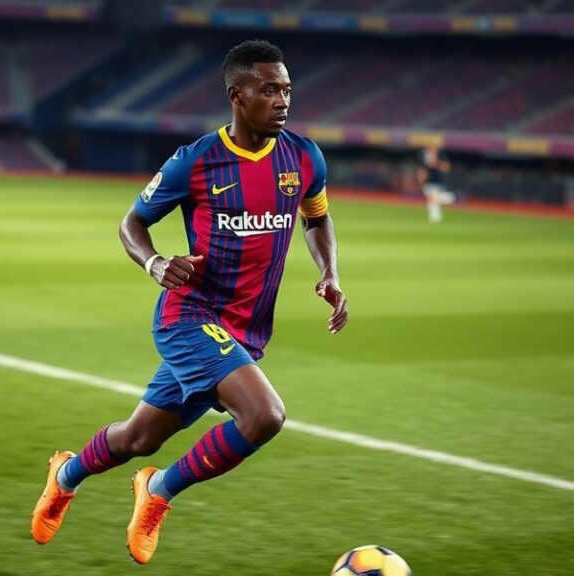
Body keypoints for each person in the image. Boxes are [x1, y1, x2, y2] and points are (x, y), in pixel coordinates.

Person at [31, 39, 349, 564]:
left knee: (138, 438)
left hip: (244, 333)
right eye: (269, 90)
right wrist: (155, 263)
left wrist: (329, 271)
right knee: (264, 416)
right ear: (237, 94)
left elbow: (316, 218)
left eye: (287, 90)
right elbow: (131, 223)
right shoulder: (196, 162)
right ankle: (158, 491)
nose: (282, 100)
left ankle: (63, 477)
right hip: (190, 318)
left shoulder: (303, 157)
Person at [417, 144, 454, 222]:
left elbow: (446, 168)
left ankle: (455, 198)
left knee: (434, 199)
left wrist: (436, 163)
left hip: (439, 182)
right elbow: (422, 170)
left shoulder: (441, 156)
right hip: (428, 182)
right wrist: (421, 179)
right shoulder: (423, 156)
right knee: (432, 200)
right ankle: (435, 218)